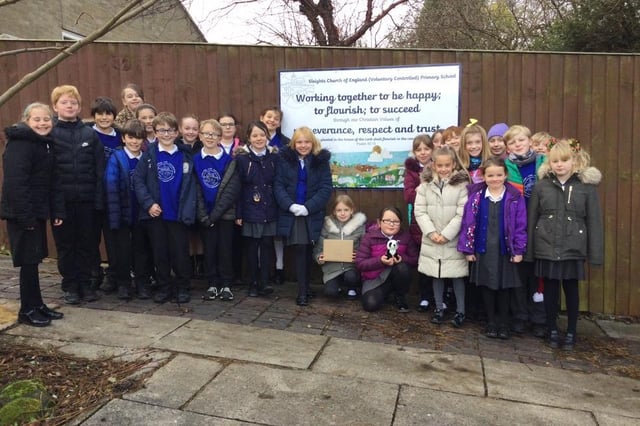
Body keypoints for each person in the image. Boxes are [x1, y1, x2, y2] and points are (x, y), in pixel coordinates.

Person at [526, 139, 603, 351]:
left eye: (564, 160)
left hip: (572, 247)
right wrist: (530, 251)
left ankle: (570, 331)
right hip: (546, 244)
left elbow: (594, 221)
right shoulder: (542, 186)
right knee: (550, 288)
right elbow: (533, 218)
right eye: (555, 161)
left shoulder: (585, 188)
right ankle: (551, 328)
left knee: (571, 289)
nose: (559, 165)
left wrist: (595, 253)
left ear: (574, 161)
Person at [0, 103, 65, 326]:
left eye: (46, 119)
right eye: (37, 119)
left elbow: (51, 181)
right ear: (27, 120)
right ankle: (26, 310)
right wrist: (26, 218)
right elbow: (16, 185)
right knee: (28, 263)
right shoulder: (20, 145)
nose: (42, 123)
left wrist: (55, 210)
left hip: (36, 213)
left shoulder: (44, 143)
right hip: (22, 215)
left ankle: (37, 305)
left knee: (34, 260)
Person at [458, 157, 527, 339]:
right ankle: (491, 322)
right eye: (490, 175)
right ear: (483, 176)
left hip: (505, 249)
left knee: (504, 287)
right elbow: (468, 223)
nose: (495, 179)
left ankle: (503, 323)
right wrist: (468, 249)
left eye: (499, 175)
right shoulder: (476, 198)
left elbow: (521, 225)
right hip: (484, 248)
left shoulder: (514, 198)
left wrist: (519, 250)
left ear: (505, 175)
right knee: (487, 286)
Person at [133, 112, 196, 304]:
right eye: (161, 130)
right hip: (156, 214)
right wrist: (149, 204)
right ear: (155, 132)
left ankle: (183, 287)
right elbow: (138, 180)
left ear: (177, 132)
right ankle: (164, 287)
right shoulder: (150, 155)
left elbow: (192, 184)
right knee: (160, 253)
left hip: (178, 213)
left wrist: (187, 208)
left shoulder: (185, 155)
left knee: (180, 253)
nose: (166, 134)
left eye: (170, 130)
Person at [50, 85, 105, 304]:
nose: (69, 106)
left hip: (87, 201)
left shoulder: (89, 134)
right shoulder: (51, 134)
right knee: (66, 245)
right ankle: (70, 285)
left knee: (87, 244)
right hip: (61, 202)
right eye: (64, 102)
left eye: (73, 102)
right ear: (55, 107)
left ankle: (86, 283)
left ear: (79, 106)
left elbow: (99, 170)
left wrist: (98, 200)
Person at [274, 126, 332, 306]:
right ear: (293, 143)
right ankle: (301, 293)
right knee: (300, 249)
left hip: (311, 213)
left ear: (312, 143)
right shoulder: (284, 160)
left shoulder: (320, 161)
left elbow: (325, 188)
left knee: (308, 251)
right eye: (299, 142)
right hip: (292, 213)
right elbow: (278, 185)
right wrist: (290, 206)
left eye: (307, 141)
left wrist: (308, 208)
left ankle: (306, 287)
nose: (303, 145)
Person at [414, 145, 470, 327]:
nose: (444, 169)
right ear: (434, 165)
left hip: (452, 238)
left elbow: (463, 213)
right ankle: (439, 307)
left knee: (457, 275)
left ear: (453, 164)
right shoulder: (424, 186)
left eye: (447, 165)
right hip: (432, 238)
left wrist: (446, 234)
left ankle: (461, 311)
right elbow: (420, 211)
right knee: (436, 274)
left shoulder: (461, 186)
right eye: (440, 165)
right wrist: (431, 232)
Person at [504, 124, 547, 337]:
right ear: (507, 147)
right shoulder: (506, 167)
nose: (517, 144)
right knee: (518, 274)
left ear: (530, 141)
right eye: (512, 142)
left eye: (521, 140)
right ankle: (519, 316)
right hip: (517, 228)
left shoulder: (544, 163)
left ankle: (540, 318)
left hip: (541, 228)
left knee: (539, 275)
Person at [104, 119, 151, 300]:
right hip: (123, 213)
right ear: (123, 138)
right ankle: (124, 284)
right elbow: (111, 186)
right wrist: (115, 218)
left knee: (141, 250)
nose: (134, 142)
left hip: (142, 213)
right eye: (131, 137)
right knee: (122, 251)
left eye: (138, 138)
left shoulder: (146, 157)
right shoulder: (116, 157)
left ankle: (142, 283)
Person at [194, 119, 241, 301]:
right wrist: (204, 215)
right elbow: (196, 188)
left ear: (220, 137)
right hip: (204, 214)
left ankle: (227, 284)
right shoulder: (196, 160)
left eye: (214, 134)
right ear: (200, 136)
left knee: (225, 250)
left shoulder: (230, 161)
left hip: (224, 215)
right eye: (206, 133)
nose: (210, 137)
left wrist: (214, 215)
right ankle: (212, 283)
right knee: (210, 249)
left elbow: (230, 191)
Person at [235, 121, 279, 297]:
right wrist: (239, 213)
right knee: (252, 248)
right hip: (249, 208)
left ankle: (265, 281)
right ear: (249, 138)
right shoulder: (242, 159)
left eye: (262, 135)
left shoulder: (275, 158)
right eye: (255, 135)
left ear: (267, 136)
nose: (259, 138)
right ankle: (253, 283)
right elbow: (238, 188)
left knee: (267, 245)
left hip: (269, 209)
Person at [355, 206, 418, 312]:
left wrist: (402, 258)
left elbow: (415, 260)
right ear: (379, 222)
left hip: (396, 276)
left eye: (396, 221)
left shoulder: (406, 237)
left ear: (400, 223)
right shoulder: (369, 237)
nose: (392, 224)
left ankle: (400, 296)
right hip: (374, 279)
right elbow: (360, 263)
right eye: (387, 220)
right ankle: (385, 294)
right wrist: (380, 261)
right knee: (370, 305)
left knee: (402, 268)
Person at [89, 96, 121, 293]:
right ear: (94, 116)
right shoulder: (88, 134)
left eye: (108, 113)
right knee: (92, 238)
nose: (104, 117)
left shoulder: (120, 135)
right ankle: (94, 273)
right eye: (100, 113)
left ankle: (114, 275)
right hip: (93, 194)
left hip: (113, 195)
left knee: (113, 239)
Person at [403, 134, 434, 312]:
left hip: (439, 218)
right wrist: (424, 188)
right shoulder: (412, 172)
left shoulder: (440, 166)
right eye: (419, 149)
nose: (423, 153)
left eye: (426, 148)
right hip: (418, 223)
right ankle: (424, 296)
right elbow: (409, 196)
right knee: (423, 260)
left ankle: (439, 296)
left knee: (438, 259)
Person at [314, 195, 366, 300]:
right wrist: (319, 257)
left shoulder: (359, 226)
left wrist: (359, 256)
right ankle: (337, 287)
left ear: (352, 210)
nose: (342, 213)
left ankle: (352, 288)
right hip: (332, 269)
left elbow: (364, 248)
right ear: (334, 211)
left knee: (351, 277)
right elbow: (318, 248)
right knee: (330, 293)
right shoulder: (327, 225)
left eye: (346, 210)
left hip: (351, 267)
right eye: (339, 210)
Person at [260, 106, 290, 284]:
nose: (271, 120)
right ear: (262, 117)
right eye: (268, 116)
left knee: (277, 234)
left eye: (276, 118)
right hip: (257, 193)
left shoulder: (285, 142)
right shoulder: (253, 138)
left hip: (277, 191)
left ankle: (280, 268)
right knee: (260, 234)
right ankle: (260, 269)